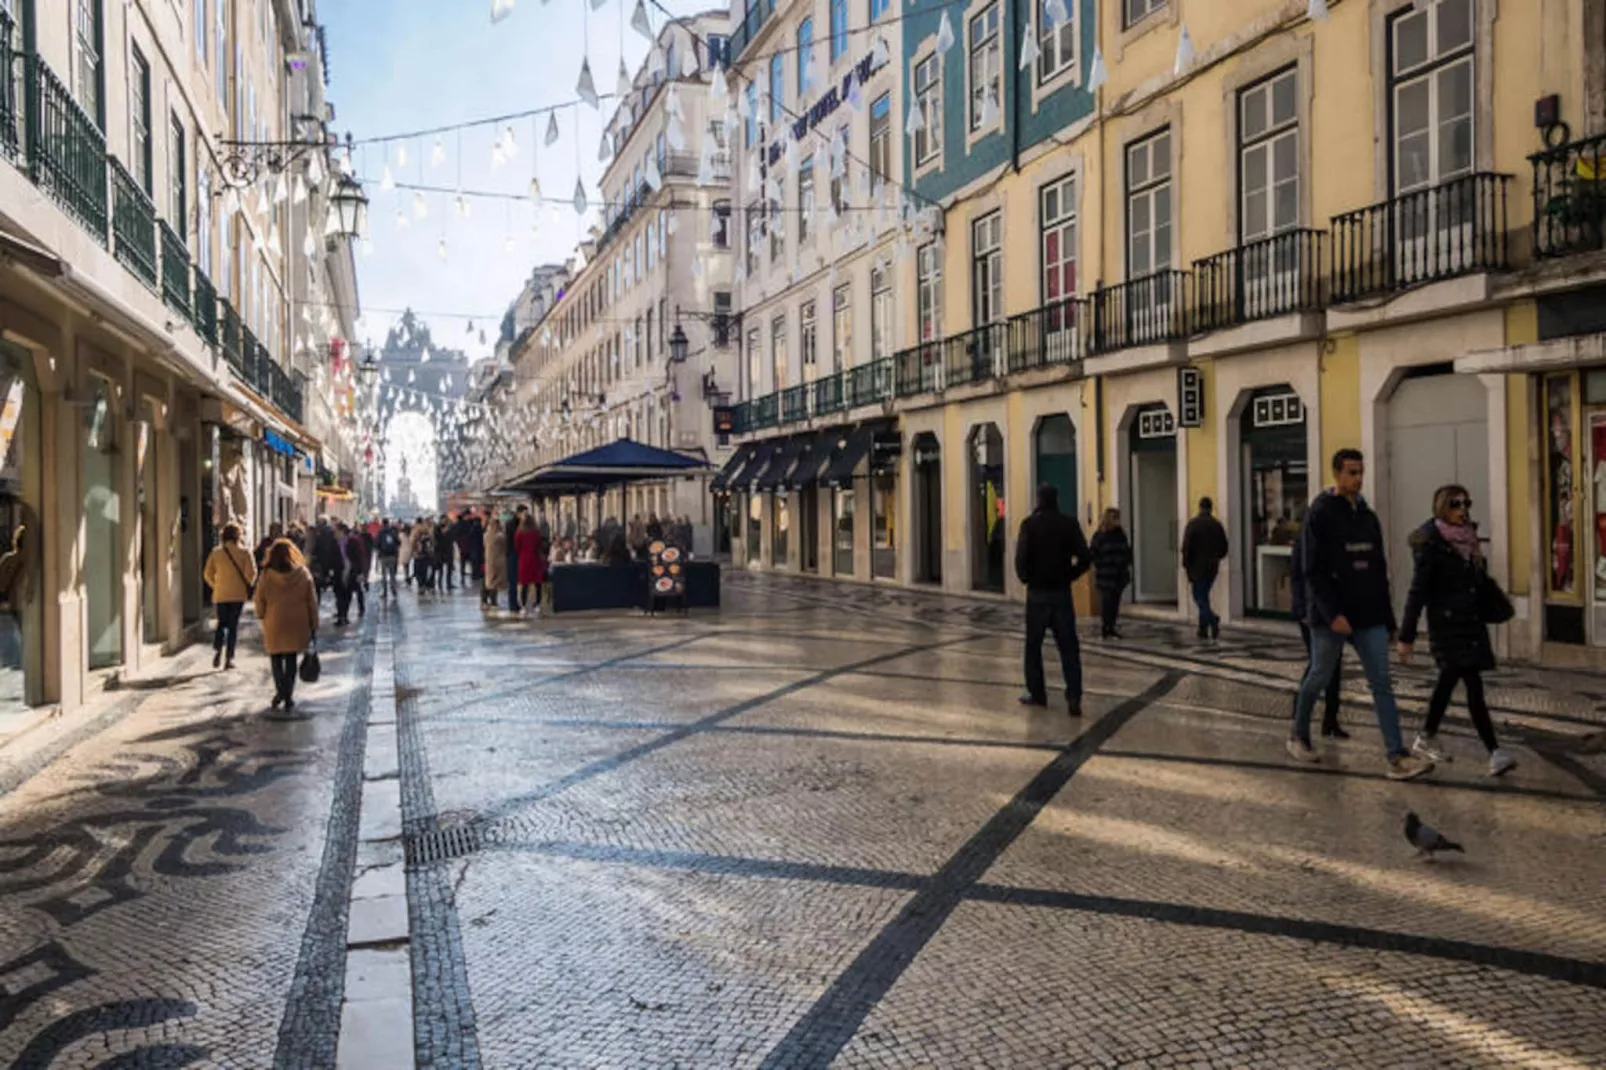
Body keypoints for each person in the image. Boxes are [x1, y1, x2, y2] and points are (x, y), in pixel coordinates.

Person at [1288, 449, 1434, 781]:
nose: (1357, 479)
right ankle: (1298, 732)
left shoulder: (1368, 518)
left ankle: (1396, 756)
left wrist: (1390, 620)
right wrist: (1330, 613)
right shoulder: (1320, 514)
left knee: (1382, 683)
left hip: (1369, 615)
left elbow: (1378, 569)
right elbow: (1313, 571)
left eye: (1360, 472)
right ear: (1337, 473)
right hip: (1332, 617)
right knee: (1320, 675)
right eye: (1352, 472)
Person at [1399, 485, 1517, 777]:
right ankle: (1493, 751)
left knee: (1452, 680)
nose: (1462, 509)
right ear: (1442, 507)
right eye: (1455, 504)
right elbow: (1418, 592)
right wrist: (1407, 636)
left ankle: (1428, 735)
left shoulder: (1469, 541)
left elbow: (1477, 582)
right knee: (1468, 684)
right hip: (1447, 625)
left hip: (1469, 622)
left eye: (1466, 503)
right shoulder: (1430, 544)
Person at [1014, 483, 1092, 715]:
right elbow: (1086, 557)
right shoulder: (1068, 525)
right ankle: (1074, 695)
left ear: (1039, 499)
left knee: (1033, 647)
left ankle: (1038, 693)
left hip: (1037, 594)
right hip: (1061, 593)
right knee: (1069, 647)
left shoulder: (1029, 525)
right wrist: (1070, 575)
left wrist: (1027, 578)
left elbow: (1020, 561)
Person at [1290, 502, 1346, 739]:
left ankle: (1330, 719)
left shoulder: (1325, 541)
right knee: (1319, 664)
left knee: (1332, 664)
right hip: (1311, 613)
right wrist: (1303, 610)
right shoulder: (1304, 544)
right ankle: (1300, 713)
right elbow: (1298, 578)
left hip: (1329, 611)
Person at [254, 539, 318, 712]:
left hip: (274, 622)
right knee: (291, 660)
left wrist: (260, 614)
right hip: (297, 623)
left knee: (275, 659)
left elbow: (259, 599)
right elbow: (311, 601)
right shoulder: (303, 574)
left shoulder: (266, 575)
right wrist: (314, 623)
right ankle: (288, 695)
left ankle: (280, 691)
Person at [202, 522, 256, 670]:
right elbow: (252, 574)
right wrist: (243, 584)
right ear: (238, 536)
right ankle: (229, 658)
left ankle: (218, 649)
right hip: (238, 595)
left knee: (221, 623)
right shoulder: (245, 552)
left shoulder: (216, 553)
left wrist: (216, 584)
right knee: (233, 626)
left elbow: (207, 573)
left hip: (221, 594)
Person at [1180, 498, 1229, 640]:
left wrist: (1186, 565)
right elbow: (1224, 547)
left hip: (1197, 567)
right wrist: (1216, 558)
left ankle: (1212, 619)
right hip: (1212, 566)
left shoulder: (1193, 524)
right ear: (1211, 508)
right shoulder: (1217, 525)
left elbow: (1186, 547)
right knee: (1204, 595)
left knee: (1198, 596)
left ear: (1200, 507)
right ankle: (1202, 629)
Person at [1090, 508, 1133, 640]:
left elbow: (1127, 550)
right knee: (1107, 602)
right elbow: (1093, 554)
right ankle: (1106, 627)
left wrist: (1126, 562)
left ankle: (1112, 627)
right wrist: (1103, 563)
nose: (1118, 521)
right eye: (1115, 518)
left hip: (1119, 575)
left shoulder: (1121, 534)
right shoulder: (1100, 535)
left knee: (1115, 602)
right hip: (1105, 575)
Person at [515, 513, 547, 617]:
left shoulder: (519, 532)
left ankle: (523, 606)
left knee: (524, 584)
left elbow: (517, 547)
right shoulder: (536, 532)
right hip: (535, 559)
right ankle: (537, 604)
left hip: (524, 560)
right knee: (538, 583)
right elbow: (539, 544)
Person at [345, 524, 369, 619]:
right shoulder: (357, 540)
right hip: (357, 569)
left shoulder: (352, 541)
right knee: (358, 590)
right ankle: (361, 608)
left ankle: (345, 612)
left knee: (350, 591)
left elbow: (353, 556)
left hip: (353, 570)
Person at [506, 506, 527, 613]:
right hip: (513, 555)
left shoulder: (516, 523)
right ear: (519, 513)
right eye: (524, 513)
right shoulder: (513, 524)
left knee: (518, 581)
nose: (525, 516)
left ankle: (516, 603)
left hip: (516, 554)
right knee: (513, 581)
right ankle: (513, 605)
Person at [484, 517, 508, 608]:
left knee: (489, 581)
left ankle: (486, 600)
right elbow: (505, 546)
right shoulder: (500, 536)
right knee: (496, 581)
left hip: (489, 560)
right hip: (499, 560)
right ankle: (493, 600)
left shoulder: (486, 535)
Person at [376, 519, 402, 598]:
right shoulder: (393, 532)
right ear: (388, 524)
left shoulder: (380, 533)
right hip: (392, 556)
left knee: (384, 575)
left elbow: (377, 544)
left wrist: (379, 551)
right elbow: (399, 542)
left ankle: (384, 592)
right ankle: (393, 590)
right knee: (392, 574)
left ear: (382, 524)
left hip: (383, 556)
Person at [435, 514, 456, 591]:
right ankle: (439, 583)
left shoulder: (450, 528)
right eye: (443, 519)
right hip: (440, 551)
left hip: (449, 550)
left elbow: (453, 536)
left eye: (445, 519)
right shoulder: (437, 528)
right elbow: (437, 537)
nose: (444, 521)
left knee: (449, 568)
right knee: (440, 569)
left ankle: (449, 583)